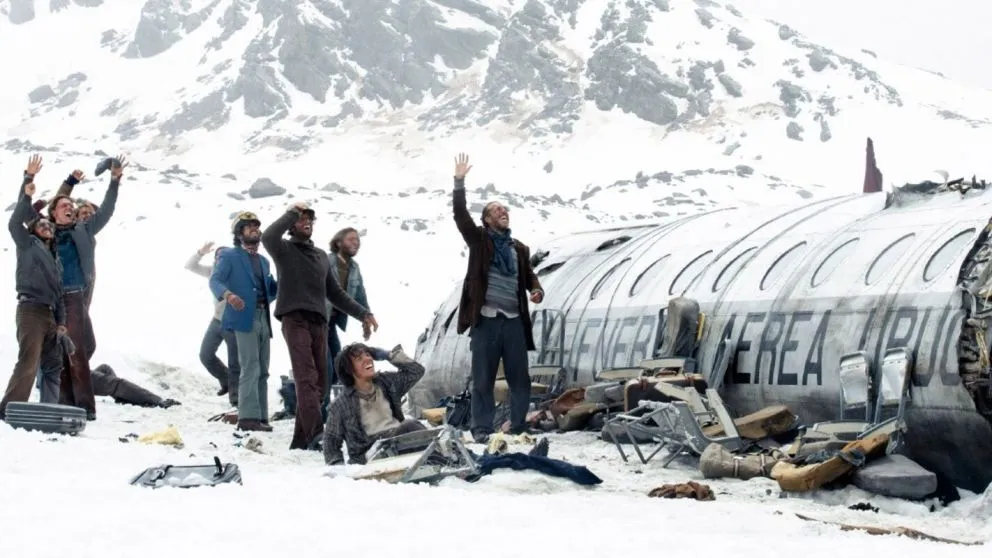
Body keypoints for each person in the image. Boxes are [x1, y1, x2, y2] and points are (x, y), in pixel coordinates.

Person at [261, 201, 378, 451]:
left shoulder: (320, 256)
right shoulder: (283, 249)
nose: (307, 223)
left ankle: (301, 441)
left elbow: (335, 293)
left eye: (309, 219)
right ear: (292, 225)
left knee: (322, 383)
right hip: (294, 318)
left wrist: (363, 313)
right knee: (306, 378)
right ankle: (317, 434)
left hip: (319, 322)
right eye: (301, 219)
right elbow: (268, 236)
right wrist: (292, 212)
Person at [450, 153, 545, 443]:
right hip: (487, 320)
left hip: (513, 321)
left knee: (520, 378)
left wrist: (536, 289)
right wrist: (459, 182)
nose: (503, 211)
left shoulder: (518, 248)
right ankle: (481, 428)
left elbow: (528, 274)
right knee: (483, 379)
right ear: (487, 219)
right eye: (496, 209)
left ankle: (518, 425)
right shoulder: (480, 240)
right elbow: (460, 216)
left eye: (505, 208)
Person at [49, 156, 124, 420]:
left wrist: (114, 181)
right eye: (65, 206)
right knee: (63, 351)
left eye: (71, 206)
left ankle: (81, 405)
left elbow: (106, 210)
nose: (69, 208)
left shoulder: (83, 229)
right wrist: (69, 183)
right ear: (54, 213)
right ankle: (68, 402)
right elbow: (55, 202)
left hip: (74, 296)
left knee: (79, 349)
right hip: (53, 298)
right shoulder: (46, 230)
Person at [1, 155, 67, 417]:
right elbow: (14, 222)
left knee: (52, 365)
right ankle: (8, 409)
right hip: (30, 310)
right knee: (28, 362)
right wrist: (28, 182)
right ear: (33, 230)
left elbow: (59, 294)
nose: (46, 225)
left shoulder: (56, 259)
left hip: (50, 314)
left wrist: (61, 322)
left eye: (49, 224)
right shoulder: (27, 244)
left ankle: (49, 409)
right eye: (41, 223)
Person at [209, 211, 278, 432]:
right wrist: (229, 296)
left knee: (264, 370)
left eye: (256, 226)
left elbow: (270, 290)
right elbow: (215, 280)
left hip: (263, 317)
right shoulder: (229, 256)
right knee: (250, 367)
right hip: (243, 318)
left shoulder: (264, 261)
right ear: (239, 233)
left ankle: (262, 417)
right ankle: (248, 418)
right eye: (249, 227)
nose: (254, 229)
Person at [322, 343, 426, 465]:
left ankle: (437, 461)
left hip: (398, 440)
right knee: (410, 426)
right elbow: (331, 442)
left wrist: (388, 355)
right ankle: (437, 460)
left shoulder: (386, 383)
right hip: (371, 456)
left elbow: (417, 371)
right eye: (359, 359)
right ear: (349, 369)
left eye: (368, 355)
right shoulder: (341, 404)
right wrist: (340, 467)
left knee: (417, 429)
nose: (368, 359)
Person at [186, 242, 240, 405]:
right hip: (216, 320)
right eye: (218, 256)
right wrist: (200, 252)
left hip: (233, 322)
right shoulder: (212, 271)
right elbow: (190, 266)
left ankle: (236, 398)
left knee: (234, 361)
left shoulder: (237, 273)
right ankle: (226, 380)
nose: (220, 259)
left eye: (224, 256)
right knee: (206, 355)